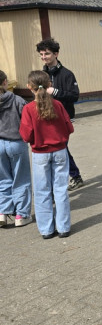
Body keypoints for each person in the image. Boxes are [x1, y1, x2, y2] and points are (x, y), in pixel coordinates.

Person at [19, 70, 74, 239]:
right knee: (60, 190)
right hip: (59, 150)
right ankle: (63, 227)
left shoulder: (28, 109)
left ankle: (46, 230)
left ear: (30, 87)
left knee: (42, 191)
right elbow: (69, 128)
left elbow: (26, 135)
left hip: (40, 153)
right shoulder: (57, 105)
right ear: (50, 85)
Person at [36, 38, 83, 190]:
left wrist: (55, 92)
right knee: (58, 149)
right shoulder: (41, 74)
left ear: (56, 54)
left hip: (63, 118)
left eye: (47, 54)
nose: (44, 57)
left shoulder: (67, 74)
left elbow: (74, 96)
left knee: (61, 148)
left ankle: (71, 178)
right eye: (41, 54)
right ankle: (74, 176)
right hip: (46, 118)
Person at [0, 70, 33, 227]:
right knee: (21, 179)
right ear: (5, 82)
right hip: (17, 142)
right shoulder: (18, 100)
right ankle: (21, 214)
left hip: (0, 144)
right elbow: (27, 123)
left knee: (3, 179)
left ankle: (2, 212)